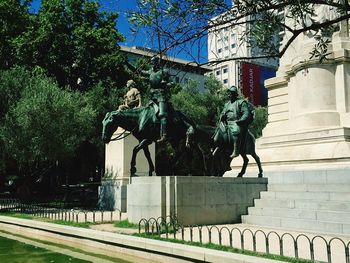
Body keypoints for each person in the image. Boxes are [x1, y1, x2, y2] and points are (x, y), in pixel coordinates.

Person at [127, 56, 173, 142]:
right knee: (146, 114)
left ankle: (164, 135)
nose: (152, 64)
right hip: (152, 96)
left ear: (157, 62)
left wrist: (166, 84)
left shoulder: (164, 72)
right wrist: (127, 63)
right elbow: (138, 71)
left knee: (162, 114)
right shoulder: (150, 72)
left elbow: (172, 82)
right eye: (151, 62)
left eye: (154, 62)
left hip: (161, 95)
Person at [219, 85, 251, 158]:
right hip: (227, 123)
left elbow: (246, 113)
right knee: (218, 130)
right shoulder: (226, 104)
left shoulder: (241, 102)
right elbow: (222, 112)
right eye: (228, 93)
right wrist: (222, 116)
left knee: (236, 130)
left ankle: (236, 151)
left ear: (234, 94)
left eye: (230, 93)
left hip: (236, 122)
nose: (229, 95)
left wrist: (241, 120)